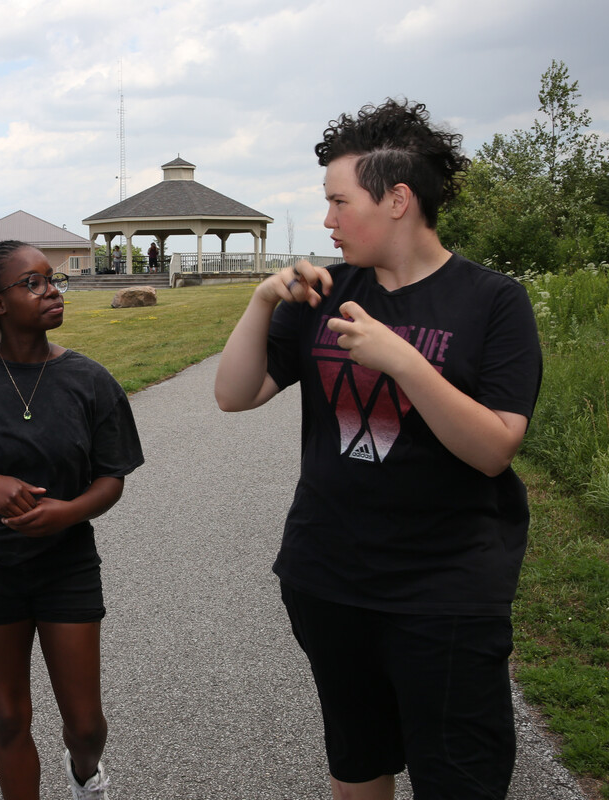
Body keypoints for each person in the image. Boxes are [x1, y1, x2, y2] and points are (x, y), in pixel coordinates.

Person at [214, 100, 542, 800]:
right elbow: (234, 395)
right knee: (359, 762)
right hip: (329, 579)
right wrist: (262, 303)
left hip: (447, 591)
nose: (327, 221)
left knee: (459, 776)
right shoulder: (325, 295)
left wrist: (404, 362)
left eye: (338, 201)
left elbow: (494, 450)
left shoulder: (493, 302)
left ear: (398, 199)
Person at [0, 240, 144, 800]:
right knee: (7, 718)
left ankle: (85, 773)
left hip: (67, 567)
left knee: (86, 725)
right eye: (34, 283)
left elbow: (111, 477)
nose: (52, 290)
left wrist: (66, 513)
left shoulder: (89, 381)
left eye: (53, 280)